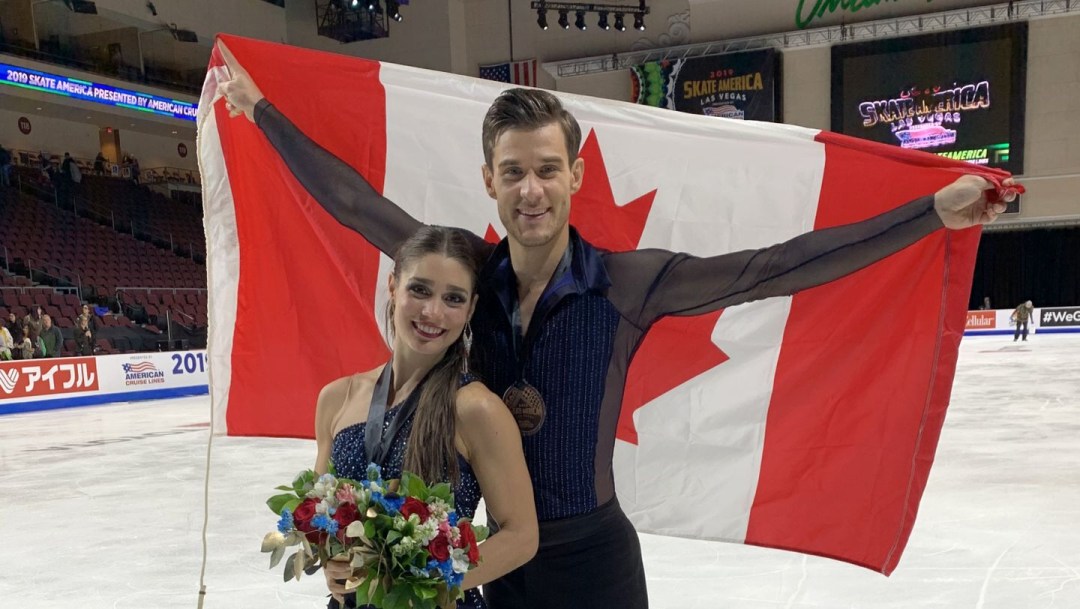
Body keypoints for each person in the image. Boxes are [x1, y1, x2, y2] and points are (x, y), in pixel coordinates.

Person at [217, 40, 1019, 608]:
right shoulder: (467, 280)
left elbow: (779, 264)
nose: (530, 190)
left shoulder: (631, 283)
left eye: (545, 170)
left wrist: (928, 213)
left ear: (576, 173)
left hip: (598, 563)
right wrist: (260, 113)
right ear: (488, 180)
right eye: (512, 173)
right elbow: (355, 202)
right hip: (496, 562)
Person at [313, 226, 537, 608]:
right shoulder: (336, 398)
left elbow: (521, 535)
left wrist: (428, 580)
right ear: (392, 286)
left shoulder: (474, 408)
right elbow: (323, 516)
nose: (433, 312)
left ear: (470, 309)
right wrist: (330, 560)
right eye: (419, 289)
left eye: (453, 298)